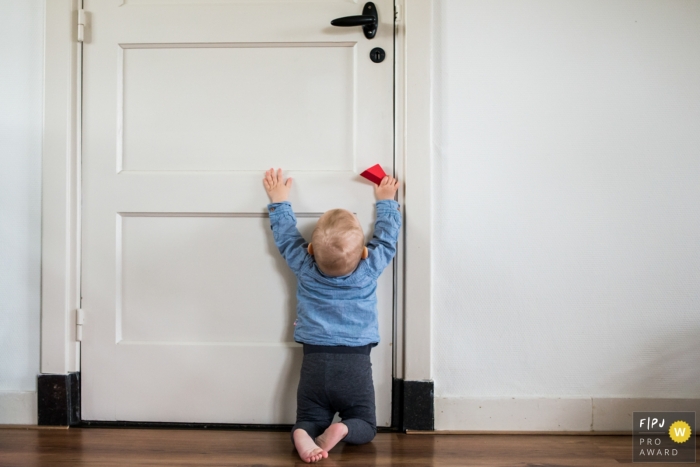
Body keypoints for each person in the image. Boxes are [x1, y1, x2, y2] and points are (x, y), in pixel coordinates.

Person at [263, 168, 401, 463]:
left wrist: (279, 202)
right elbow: (387, 240)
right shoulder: (368, 269)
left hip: (315, 361)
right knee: (365, 425)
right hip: (355, 364)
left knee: (310, 417)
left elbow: (287, 238)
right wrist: (387, 201)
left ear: (310, 249)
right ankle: (342, 428)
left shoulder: (305, 266)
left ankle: (303, 433)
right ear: (365, 252)